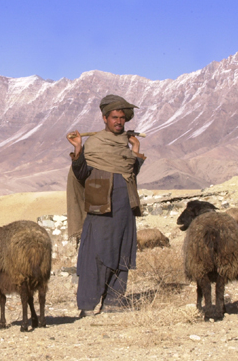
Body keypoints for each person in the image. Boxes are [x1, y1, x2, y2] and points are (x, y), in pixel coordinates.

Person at [66, 94, 146, 317]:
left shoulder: (125, 144)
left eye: (122, 118)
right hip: (101, 208)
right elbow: (81, 173)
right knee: (96, 255)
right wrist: (78, 149)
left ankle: (114, 302)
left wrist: (136, 150)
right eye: (114, 117)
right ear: (104, 118)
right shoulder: (95, 144)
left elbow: (131, 172)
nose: (119, 121)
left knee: (122, 253)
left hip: (125, 208)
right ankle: (88, 306)